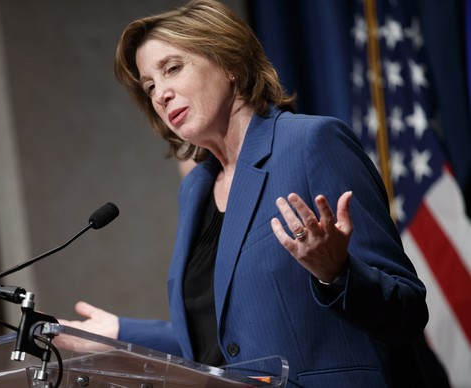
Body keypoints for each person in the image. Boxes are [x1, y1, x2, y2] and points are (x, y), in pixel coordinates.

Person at [58, 1, 450, 386]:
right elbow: (228, 342)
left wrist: (337, 273)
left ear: (229, 62)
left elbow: (408, 308)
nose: (160, 93)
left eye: (172, 69)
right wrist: (116, 334)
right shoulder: (195, 190)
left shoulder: (311, 143)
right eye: (150, 86)